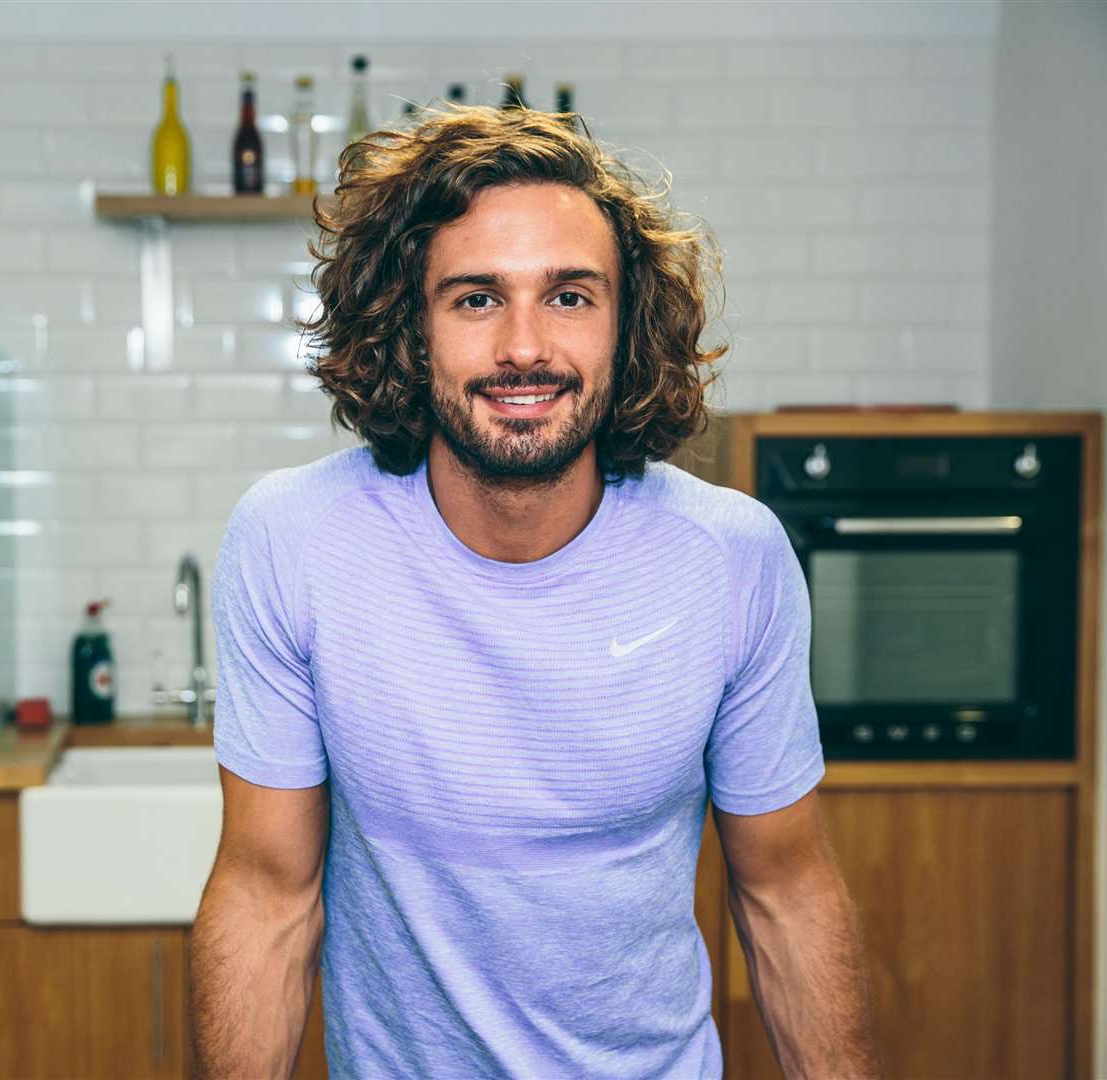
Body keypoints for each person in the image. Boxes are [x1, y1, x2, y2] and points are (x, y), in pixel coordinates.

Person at [189, 104, 880, 1079]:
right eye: (476, 298)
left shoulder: (729, 557)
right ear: (410, 326)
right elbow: (267, 895)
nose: (523, 348)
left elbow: (784, 891)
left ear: (625, 324)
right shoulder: (295, 541)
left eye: (569, 297)